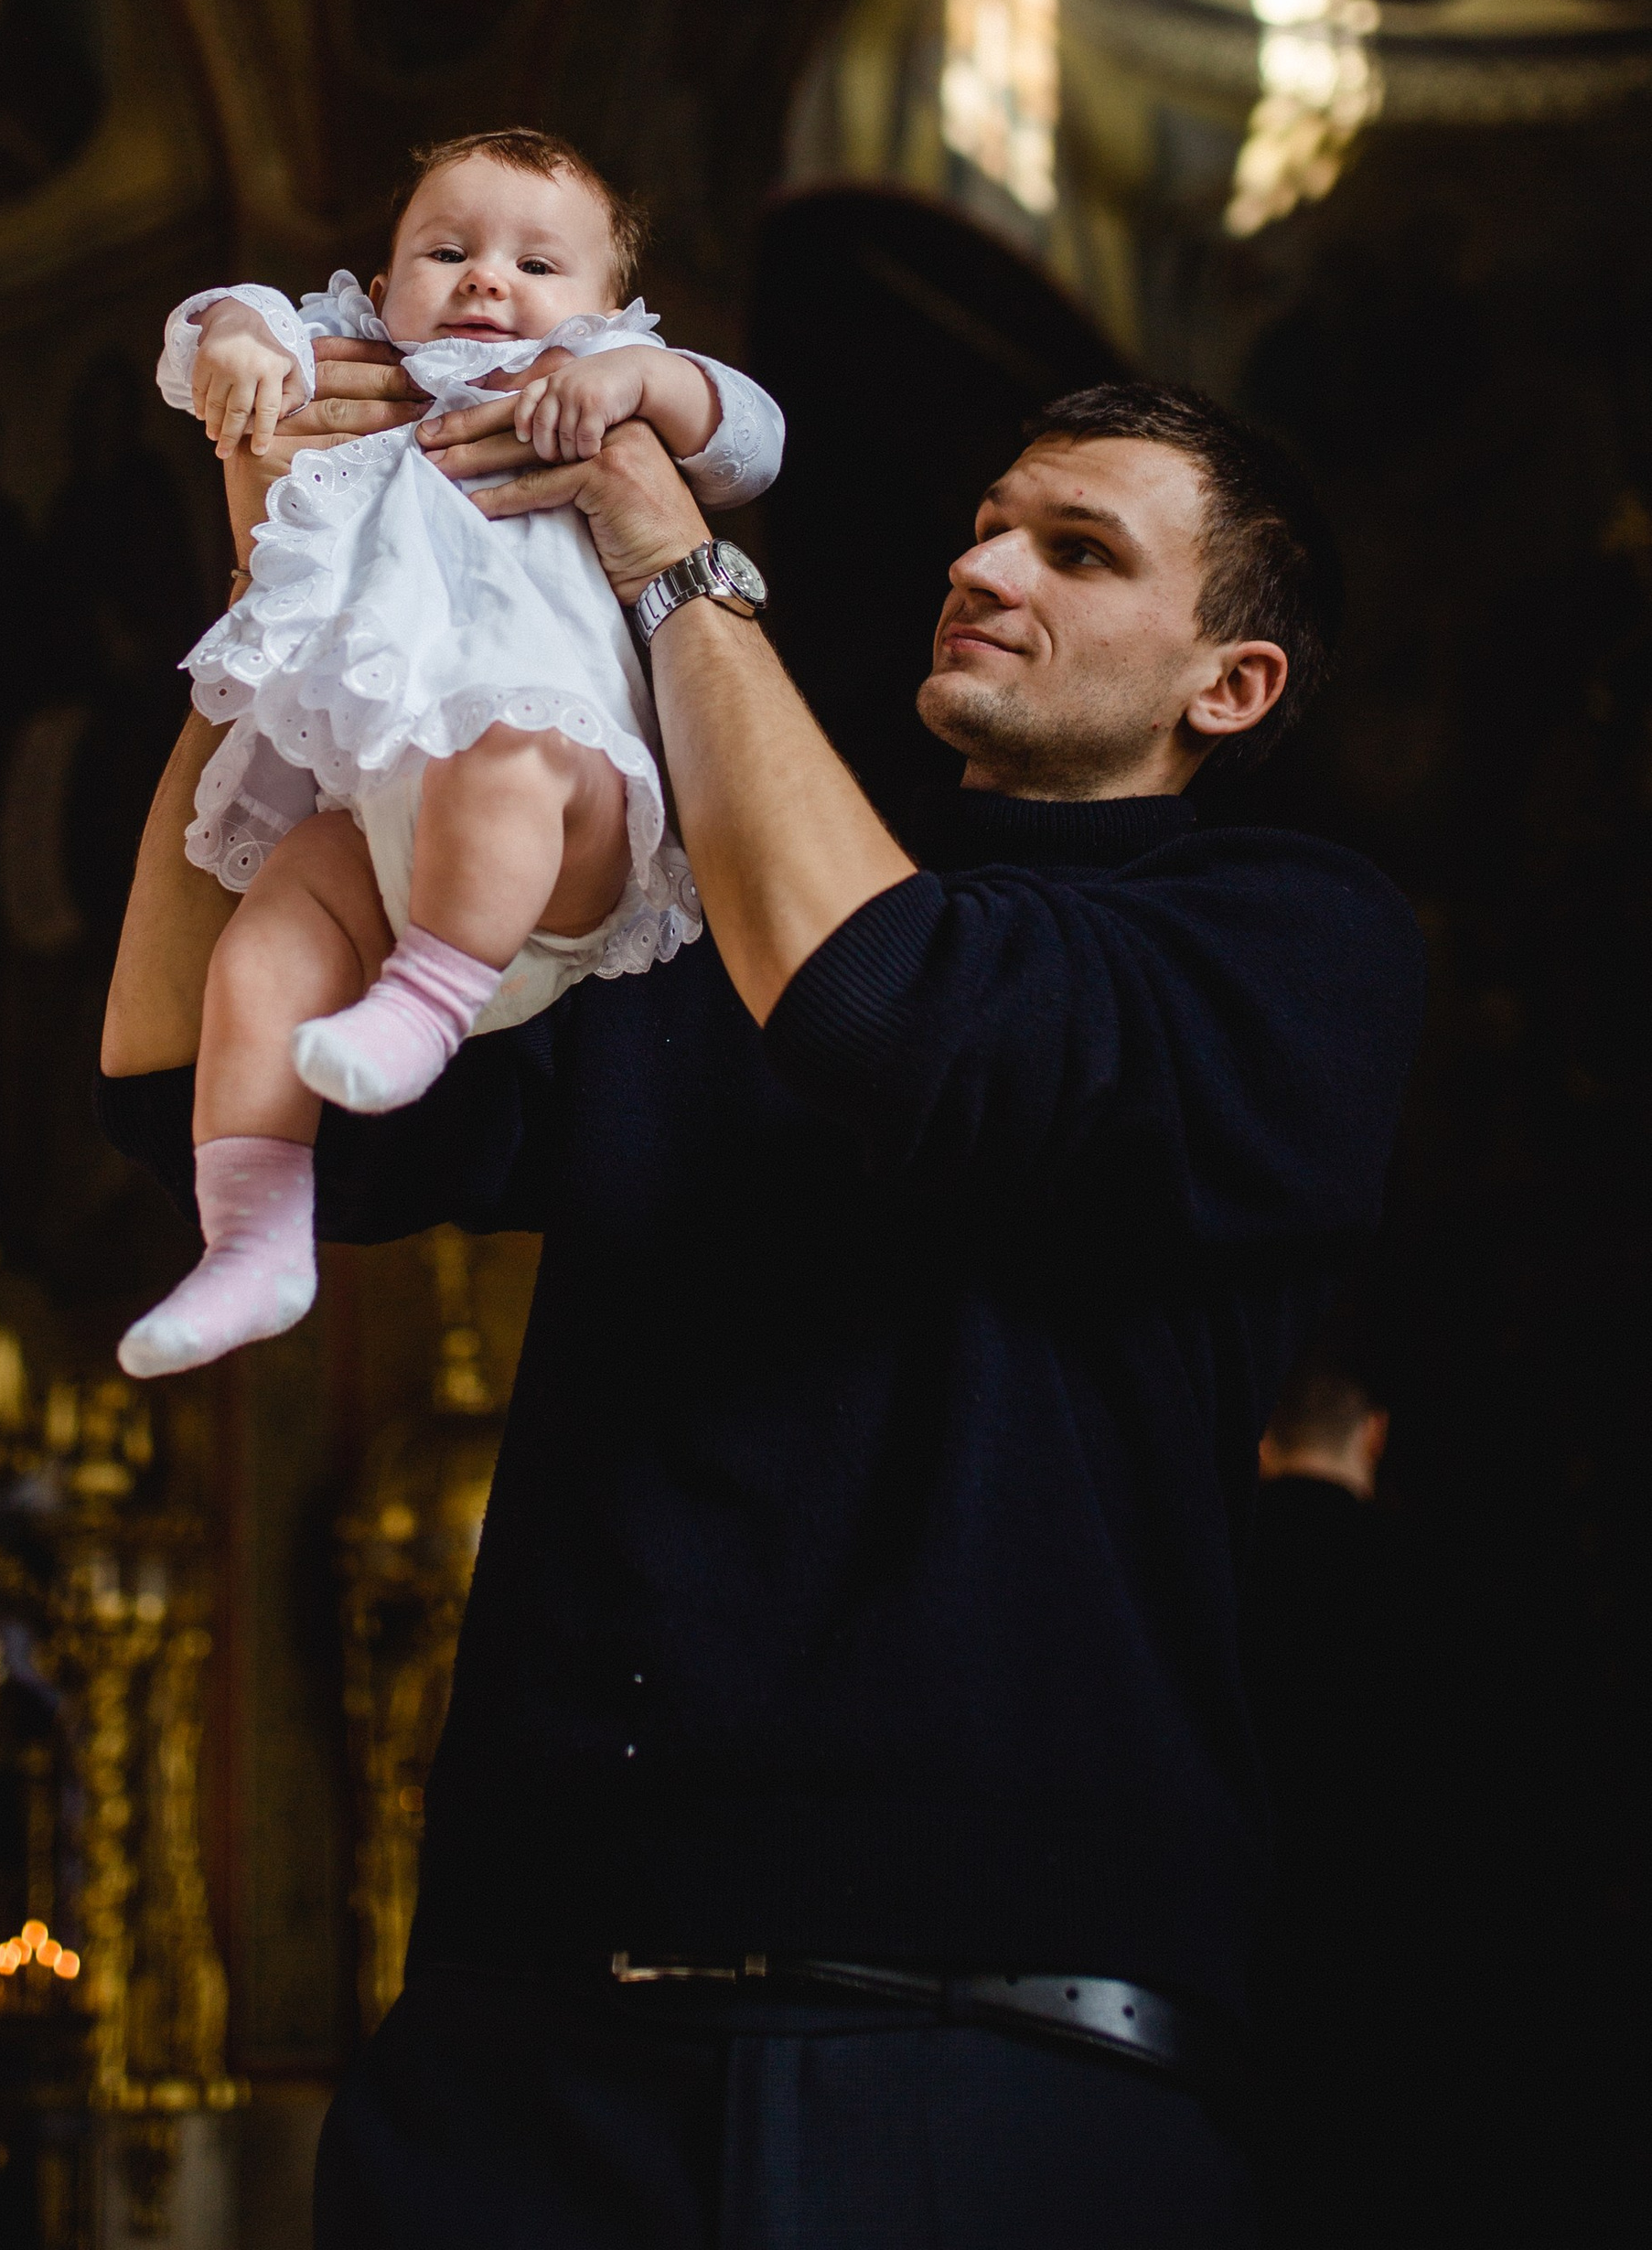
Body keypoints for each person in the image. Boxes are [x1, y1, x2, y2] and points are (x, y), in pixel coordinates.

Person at [100, 345, 1425, 2247]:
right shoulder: (676, 920)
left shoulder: (1291, 947)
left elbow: (890, 1007)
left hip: (982, 2068)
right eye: (982, 528)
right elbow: (179, 1078)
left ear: (1227, 685)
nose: (984, 569)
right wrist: (270, 625)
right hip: (517, 2062)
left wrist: (667, 564)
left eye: (1075, 551)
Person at [117, 128, 782, 1377]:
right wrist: (244, 344)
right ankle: (250, 1241)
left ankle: (425, 1003)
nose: (487, 282)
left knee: (505, 740)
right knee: (273, 924)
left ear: (609, 309)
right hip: (389, 835)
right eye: (446, 250)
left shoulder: (594, 374)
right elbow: (207, 322)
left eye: (537, 261)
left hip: (565, 825)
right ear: (377, 284)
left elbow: (750, 437)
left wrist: (646, 385)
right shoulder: (350, 357)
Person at [1245, 1343, 1407, 2246]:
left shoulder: (1222, 1570)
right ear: (1373, 1438)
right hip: (1395, 1945)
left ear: (1261, 1445)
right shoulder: (1426, 1579)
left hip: (1254, 1953)